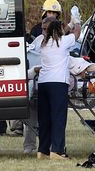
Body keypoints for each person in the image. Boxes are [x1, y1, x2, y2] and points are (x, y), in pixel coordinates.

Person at [36, 18, 81, 160]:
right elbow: (77, 33)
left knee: (44, 119)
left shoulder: (42, 43)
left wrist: (68, 25)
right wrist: (76, 21)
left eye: (44, 29)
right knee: (58, 118)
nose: (42, 31)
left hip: (43, 83)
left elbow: (62, 32)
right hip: (58, 83)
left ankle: (42, 150)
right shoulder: (64, 42)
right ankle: (57, 150)